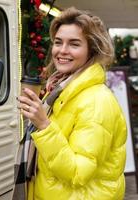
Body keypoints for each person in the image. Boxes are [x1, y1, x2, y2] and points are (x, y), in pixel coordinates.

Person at [18, 7, 127, 200]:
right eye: (58, 42)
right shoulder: (60, 91)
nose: (62, 51)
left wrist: (44, 125)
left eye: (74, 44)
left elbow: (77, 172)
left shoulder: (96, 101)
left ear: (91, 50)